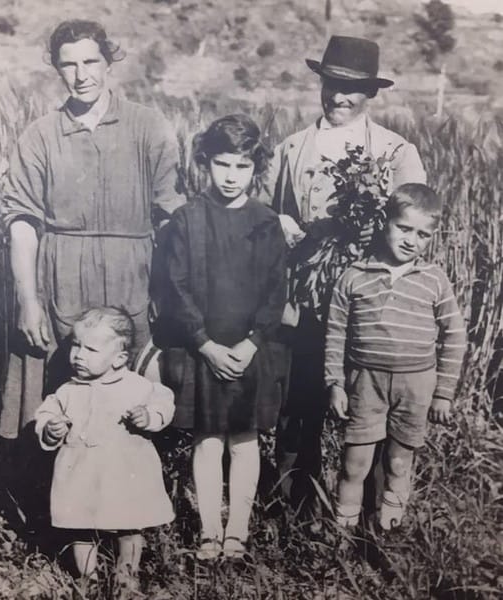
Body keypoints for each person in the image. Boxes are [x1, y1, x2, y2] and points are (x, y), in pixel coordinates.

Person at [262, 35, 427, 511]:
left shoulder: (396, 152)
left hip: (370, 305)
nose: (338, 96)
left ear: (371, 94)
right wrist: (282, 224)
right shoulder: (292, 148)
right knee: (302, 403)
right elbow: (265, 216)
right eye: (331, 83)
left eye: (351, 89)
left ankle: (368, 522)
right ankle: (292, 512)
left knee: (369, 411)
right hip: (308, 301)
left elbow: (413, 228)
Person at [0, 19, 184, 441]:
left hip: (131, 279)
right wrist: (29, 302)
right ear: (56, 68)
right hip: (59, 279)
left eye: (91, 61)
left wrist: (167, 294)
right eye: (69, 65)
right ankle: (46, 497)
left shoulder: (147, 126)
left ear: (109, 62)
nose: (81, 76)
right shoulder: (40, 136)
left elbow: (172, 218)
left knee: (133, 393)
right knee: (55, 392)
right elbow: (22, 224)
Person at [154, 114, 287, 559]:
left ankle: (238, 532)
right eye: (223, 165)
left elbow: (275, 290)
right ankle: (210, 531)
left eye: (242, 166)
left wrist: (251, 343)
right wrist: (205, 344)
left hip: (250, 350)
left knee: (244, 440)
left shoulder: (266, 222)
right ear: (205, 162)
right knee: (207, 441)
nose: (231, 177)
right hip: (203, 348)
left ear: (256, 167)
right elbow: (176, 287)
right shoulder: (187, 220)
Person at [325, 183, 466, 530]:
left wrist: (443, 393)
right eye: (404, 228)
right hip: (365, 382)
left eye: (422, 234)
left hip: (416, 384)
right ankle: (341, 540)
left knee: (399, 463)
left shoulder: (433, 279)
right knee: (353, 465)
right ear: (384, 222)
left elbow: (456, 334)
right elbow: (335, 333)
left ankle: (389, 533)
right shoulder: (354, 276)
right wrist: (335, 383)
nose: (411, 240)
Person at [34, 307, 175, 593]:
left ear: (119, 358)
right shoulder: (68, 390)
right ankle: (88, 579)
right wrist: (51, 427)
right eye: (76, 345)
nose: (79, 355)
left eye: (90, 349)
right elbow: (47, 412)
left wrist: (149, 417)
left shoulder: (137, 387)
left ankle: (126, 576)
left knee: (129, 526)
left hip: (124, 473)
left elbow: (164, 402)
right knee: (80, 527)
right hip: (81, 475)